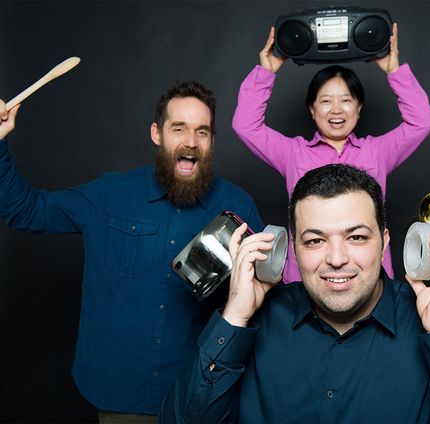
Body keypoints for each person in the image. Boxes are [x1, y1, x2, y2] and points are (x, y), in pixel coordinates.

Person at [159, 164, 430, 423]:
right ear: (292, 251)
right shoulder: (251, 318)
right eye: (315, 240)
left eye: (357, 237)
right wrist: (234, 318)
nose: (336, 259)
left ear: (385, 244)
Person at [0, 81, 263, 422]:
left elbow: (261, 299)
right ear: (157, 133)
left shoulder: (238, 207)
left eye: (202, 131)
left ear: (212, 140)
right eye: (178, 129)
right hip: (123, 397)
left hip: (203, 397)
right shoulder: (110, 194)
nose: (191, 142)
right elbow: (27, 211)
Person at [232, 23, 430, 283]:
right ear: (312, 109)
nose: (336, 110)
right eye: (326, 101)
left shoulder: (377, 151)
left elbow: (422, 121)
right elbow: (245, 124)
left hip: (369, 279)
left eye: (346, 100)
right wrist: (266, 71)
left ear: (359, 108)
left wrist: (394, 71)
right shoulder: (293, 153)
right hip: (306, 281)